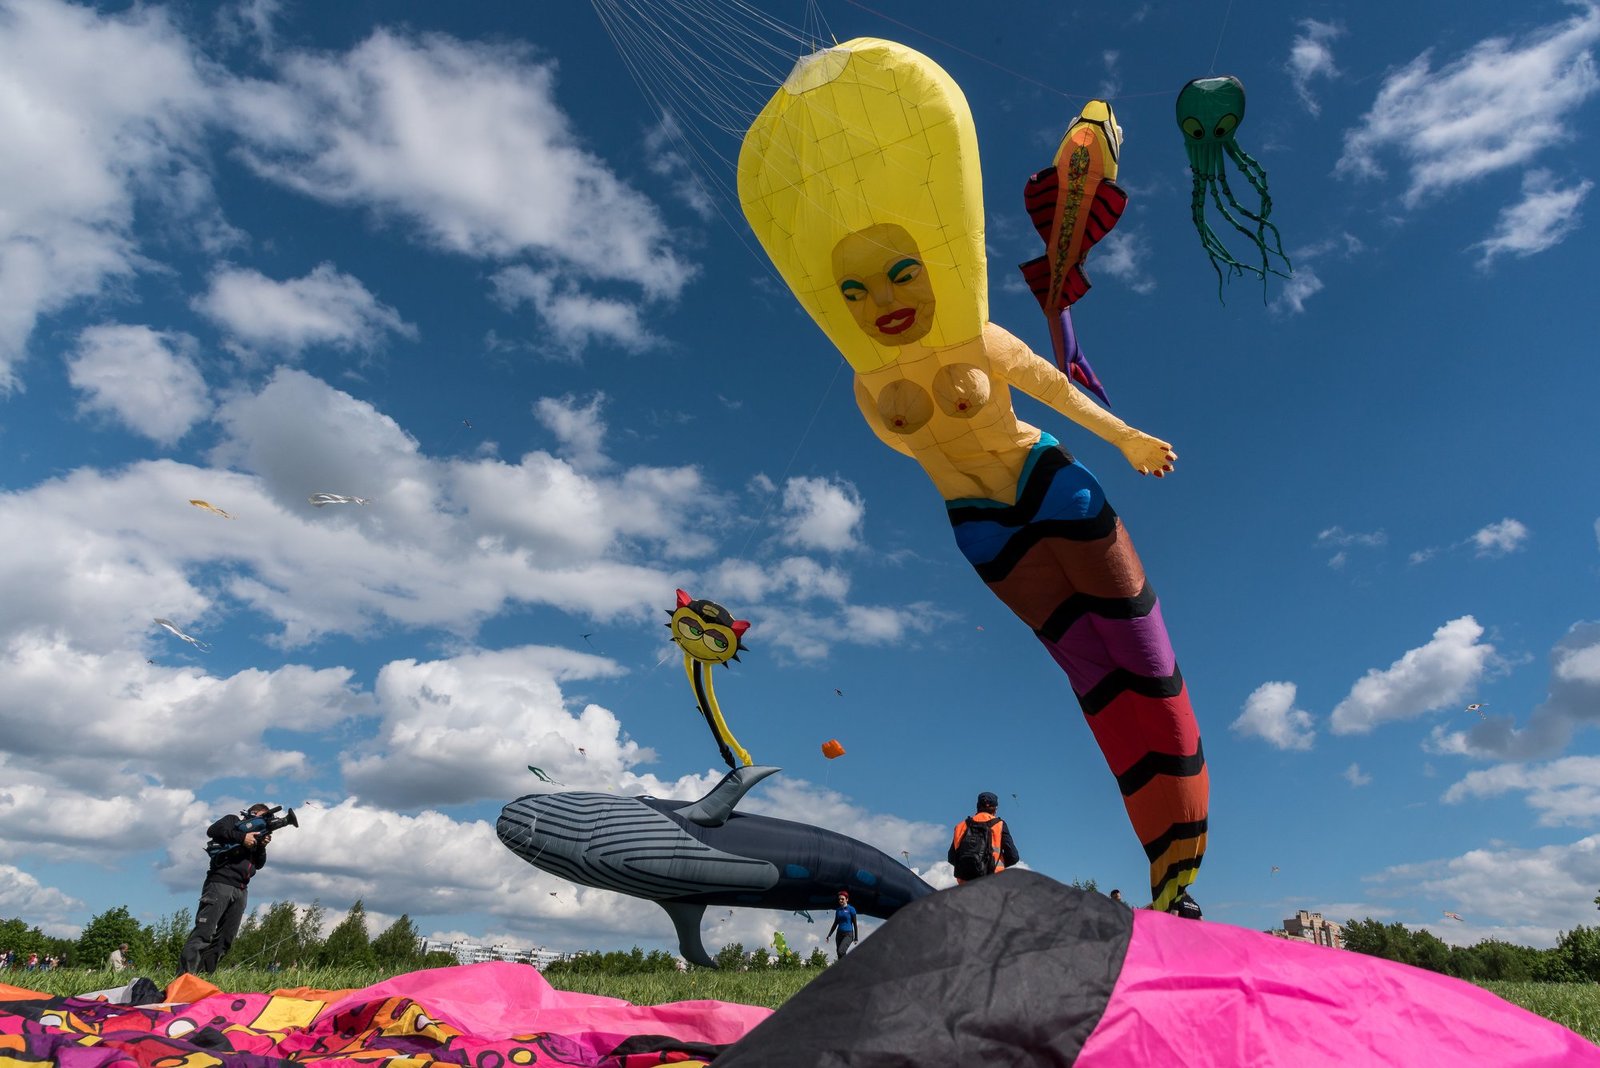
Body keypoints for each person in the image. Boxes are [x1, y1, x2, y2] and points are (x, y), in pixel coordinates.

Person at [179, 804, 273, 974]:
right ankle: (184, 978)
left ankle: (203, 978)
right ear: (253, 813)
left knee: (225, 940)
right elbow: (213, 830)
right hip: (220, 884)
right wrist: (242, 837)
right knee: (204, 933)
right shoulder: (232, 821)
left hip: (241, 890)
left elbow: (258, 864)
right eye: (263, 816)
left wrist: (261, 846)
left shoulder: (257, 837)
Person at [948, 792, 1020, 884]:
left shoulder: (961, 826)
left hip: (965, 887)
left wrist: (969, 868)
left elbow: (951, 858)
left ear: (977, 806)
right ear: (995, 809)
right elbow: (1013, 857)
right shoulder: (999, 825)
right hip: (992, 884)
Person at [825, 890, 858, 960]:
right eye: (839, 899)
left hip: (848, 934)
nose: (840, 900)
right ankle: (844, 969)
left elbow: (855, 924)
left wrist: (856, 938)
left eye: (842, 899)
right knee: (839, 954)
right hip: (839, 934)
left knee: (841, 951)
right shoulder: (838, 910)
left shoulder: (851, 909)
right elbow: (835, 923)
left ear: (847, 899)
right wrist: (829, 935)